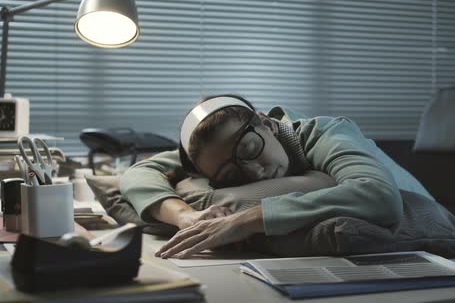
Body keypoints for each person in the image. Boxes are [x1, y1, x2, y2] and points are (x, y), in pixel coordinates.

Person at [120, 94, 433, 259]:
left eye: (250, 148)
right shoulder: (216, 153)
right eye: (231, 174)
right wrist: (186, 216)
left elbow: (379, 195)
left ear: (266, 123)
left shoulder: (327, 132)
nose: (254, 171)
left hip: (446, 267)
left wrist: (243, 220)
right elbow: (138, 172)